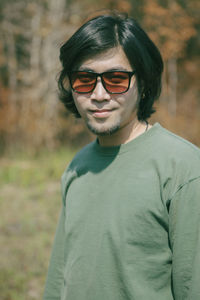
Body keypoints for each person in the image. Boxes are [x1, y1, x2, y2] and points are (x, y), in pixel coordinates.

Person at [43, 12, 200, 300]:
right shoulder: (77, 167)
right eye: (84, 79)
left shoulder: (185, 170)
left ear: (144, 84)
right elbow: (59, 277)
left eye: (116, 79)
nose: (99, 94)